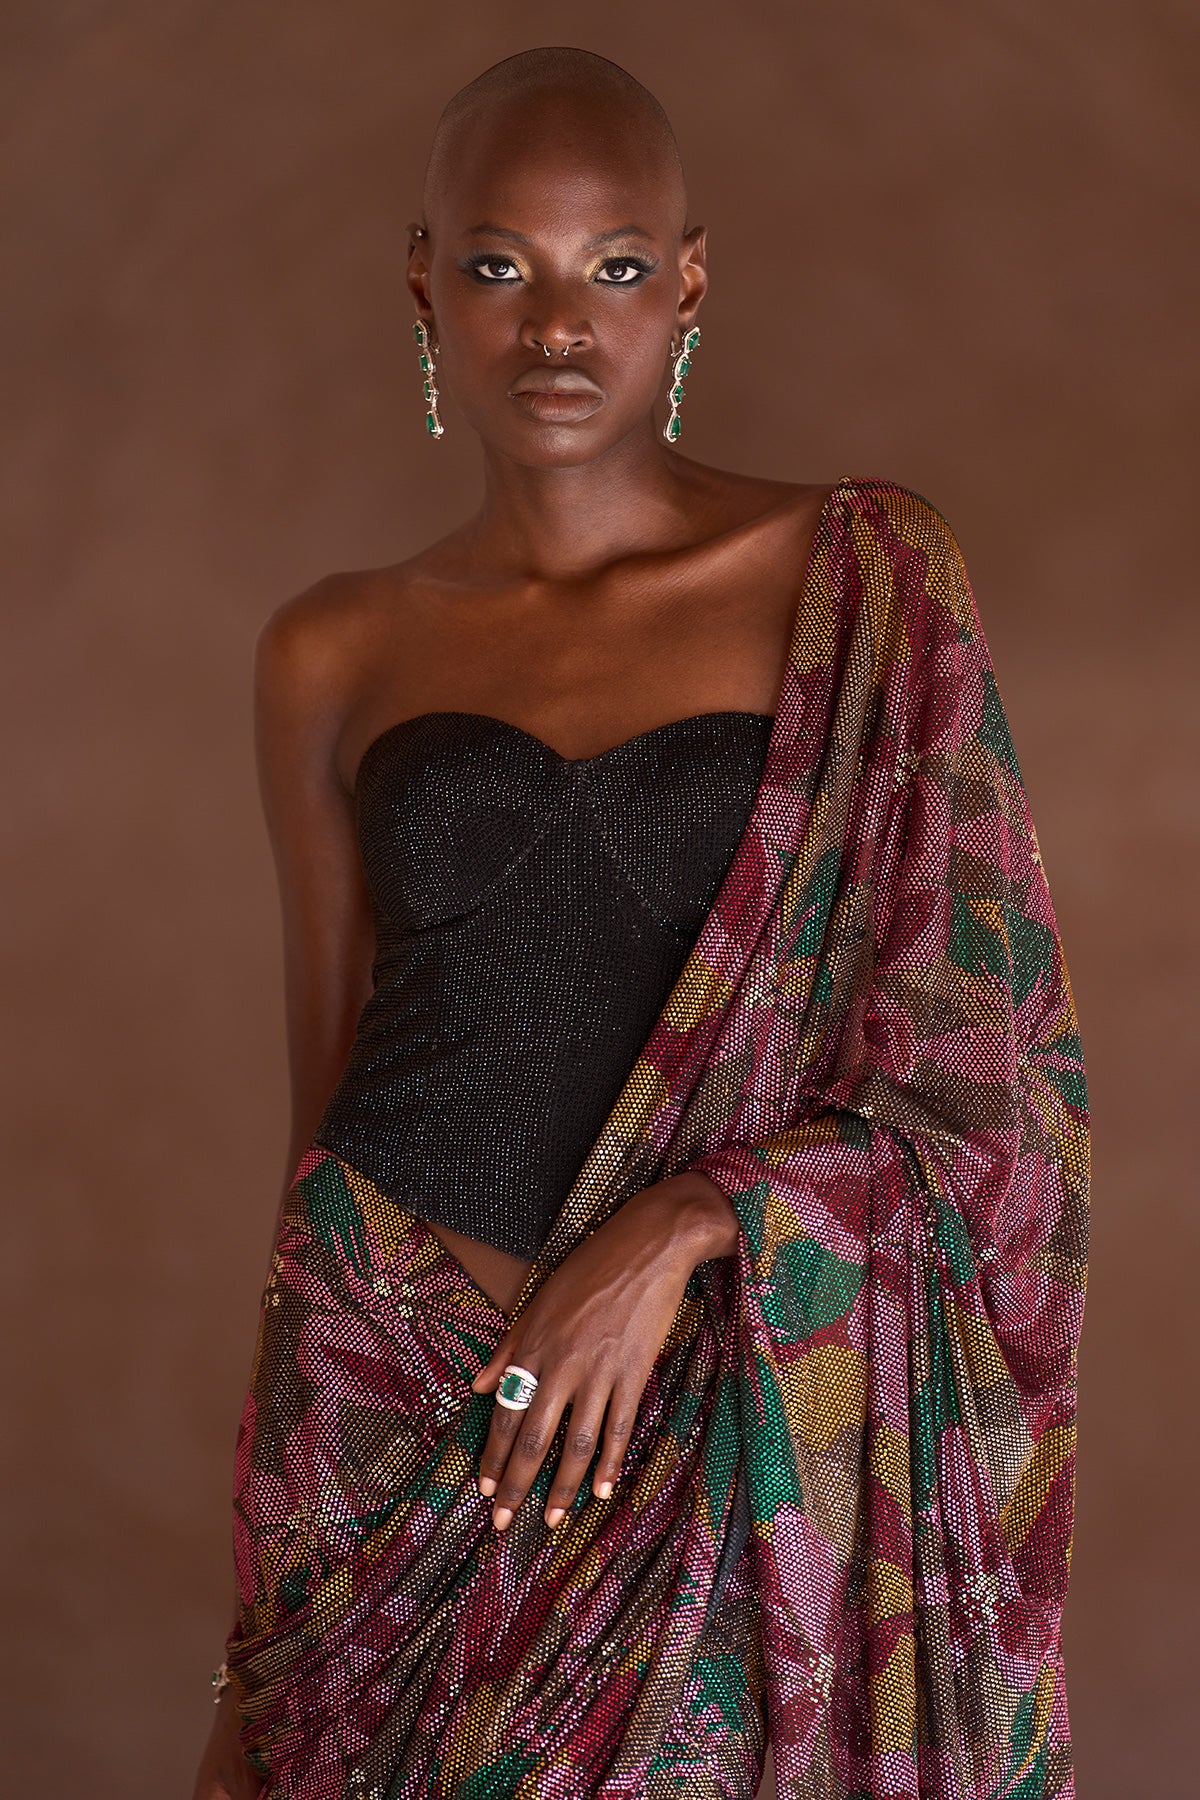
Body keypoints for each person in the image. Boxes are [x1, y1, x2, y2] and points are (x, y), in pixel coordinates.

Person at [191, 45, 1090, 1800]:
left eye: (611, 266)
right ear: (424, 283)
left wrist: (689, 1225)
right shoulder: (332, 649)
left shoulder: (862, 585)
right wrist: (271, 1613)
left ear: (688, 281)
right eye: (498, 263)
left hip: (707, 1411)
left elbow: (1000, 1102)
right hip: (390, 1398)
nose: (556, 325)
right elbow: (324, 1103)